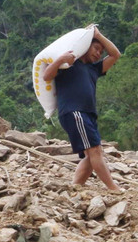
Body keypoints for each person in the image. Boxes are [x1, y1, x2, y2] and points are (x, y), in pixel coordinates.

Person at [43, 26, 123, 192]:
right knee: (95, 151)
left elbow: (115, 55)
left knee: (92, 154)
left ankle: (75, 187)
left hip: (87, 114)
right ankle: (113, 188)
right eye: (95, 48)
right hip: (74, 112)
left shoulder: (95, 69)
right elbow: (46, 75)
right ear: (86, 47)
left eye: (101, 51)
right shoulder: (69, 65)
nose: (98, 53)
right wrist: (60, 60)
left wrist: (98, 36)